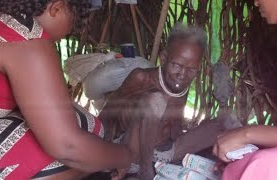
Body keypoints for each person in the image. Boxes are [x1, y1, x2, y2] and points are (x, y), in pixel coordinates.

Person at [0, 0, 137, 179]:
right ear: (56, 8)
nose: (69, 32)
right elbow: (67, 146)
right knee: (83, 131)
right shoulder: (26, 40)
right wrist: (124, 157)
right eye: (74, 21)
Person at [98, 23, 238, 180]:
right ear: (163, 58)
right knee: (155, 100)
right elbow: (110, 108)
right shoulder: (141, 78)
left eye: (191, 69)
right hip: (132, 153)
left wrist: (184, 138)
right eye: (177, 65)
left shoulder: (181, 86)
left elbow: (175, 122)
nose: (182, 74)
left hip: (163, 152)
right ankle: (144, 171)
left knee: (225, 122)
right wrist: (105, 145)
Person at [212, 0, 277, 179]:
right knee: (243, 163)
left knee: (267, 165)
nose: (255, 2)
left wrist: (248, 134)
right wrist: (260, 144)